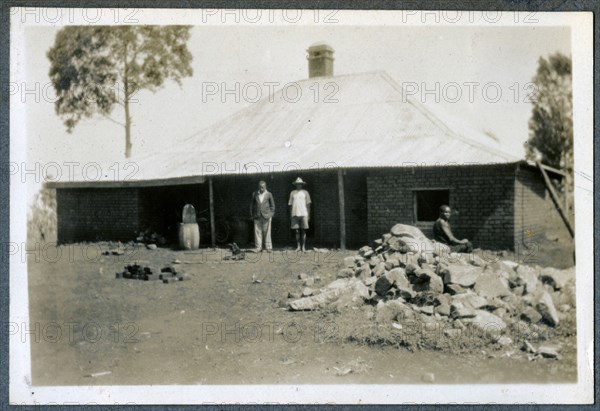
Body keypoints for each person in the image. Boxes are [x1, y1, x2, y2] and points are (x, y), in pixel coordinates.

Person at [250, 180, 275, 252]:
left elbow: (272, 206)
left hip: (266, 215)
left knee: (267, 232)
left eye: (263, 187)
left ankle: (268, 247)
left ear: (265, 187)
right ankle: (258, 247)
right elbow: (251, 205)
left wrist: (271, 215)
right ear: (258, 187)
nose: (261, 189)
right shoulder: (255, 194)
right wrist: (252, 215)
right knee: (257, 232)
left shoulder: (269, 194)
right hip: (257, 215)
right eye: (260, 187)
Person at [288, 177, 311, 252]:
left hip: (304, 213)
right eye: (297, 184)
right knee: (297, 231)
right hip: (295, 213)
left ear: (302, 185)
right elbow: (290, 204)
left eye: (300, 184)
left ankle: (303, 247)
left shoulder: (305, 192)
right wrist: (291, 214)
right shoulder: (292, 193)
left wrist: (308, 215)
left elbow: (308, 204)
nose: (299, 185)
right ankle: (298, 246)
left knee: (304, 230)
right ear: (296, 185)